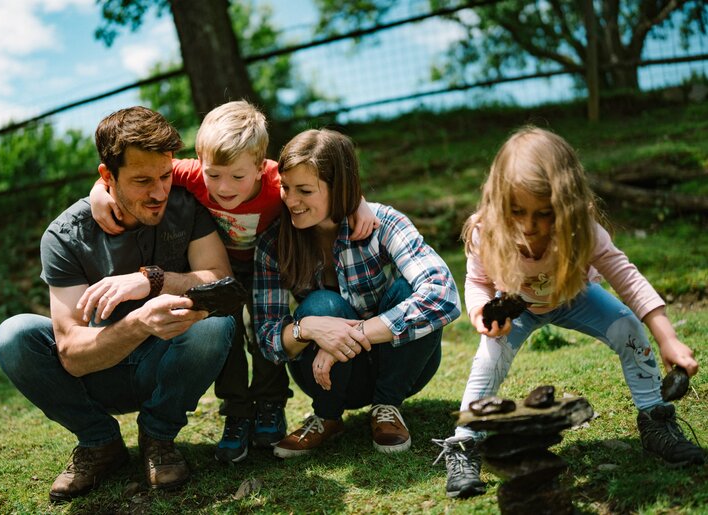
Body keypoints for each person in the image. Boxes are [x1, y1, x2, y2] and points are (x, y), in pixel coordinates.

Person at [89, 100, 379, 464]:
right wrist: (97, 194)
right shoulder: (192, 173)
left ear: (260, 167)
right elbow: (129, 175)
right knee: (225, 332)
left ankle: (271, 405)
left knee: (265, 331)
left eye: (238, 177)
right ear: (199, 161)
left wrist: (359, 203)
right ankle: (237, 412)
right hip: (219, 268)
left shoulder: (278, 181)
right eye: (214, 175)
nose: (224, 187)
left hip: (268, 267)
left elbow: (321, 182)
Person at [432, 126, 704, 499]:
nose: (529, 226)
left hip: (575, 296)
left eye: (544, 214)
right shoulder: (487, 231)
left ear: (568, 206)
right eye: (517, 213)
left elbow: (628, 278)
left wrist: (667, 337)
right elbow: (478, 280)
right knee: (487, 358)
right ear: (499, 204)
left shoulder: (582, 233)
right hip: (518, 308)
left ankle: (656, 420)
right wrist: (481, 312)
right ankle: (464, 445)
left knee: (627, 328)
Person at [0, 106, 236, 502]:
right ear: (107, 177)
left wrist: (151, 281)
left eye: (164, 176)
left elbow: (220, 282)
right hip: (96, 372)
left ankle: (158, 438)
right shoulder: (65, 236)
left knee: (213, 321)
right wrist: (139, 322)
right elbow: (71, 353)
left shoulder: (184, 204)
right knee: (12, 335)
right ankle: (99, 442)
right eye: (142, 181)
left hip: (164, 364)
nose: (158, 192)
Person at [253, 128, 461, 458]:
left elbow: (443, 295)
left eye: (305, 190)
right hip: (324, 377)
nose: (291, 200)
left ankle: (387, 407)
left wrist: (355, 334)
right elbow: (267, 340)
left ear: (339, 189)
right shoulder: (273, 243)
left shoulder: (383, 222)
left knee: (411, 289)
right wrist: (310, 328)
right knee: (322, 305)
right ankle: (326, 416)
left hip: (396, 366)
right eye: (286, 188)